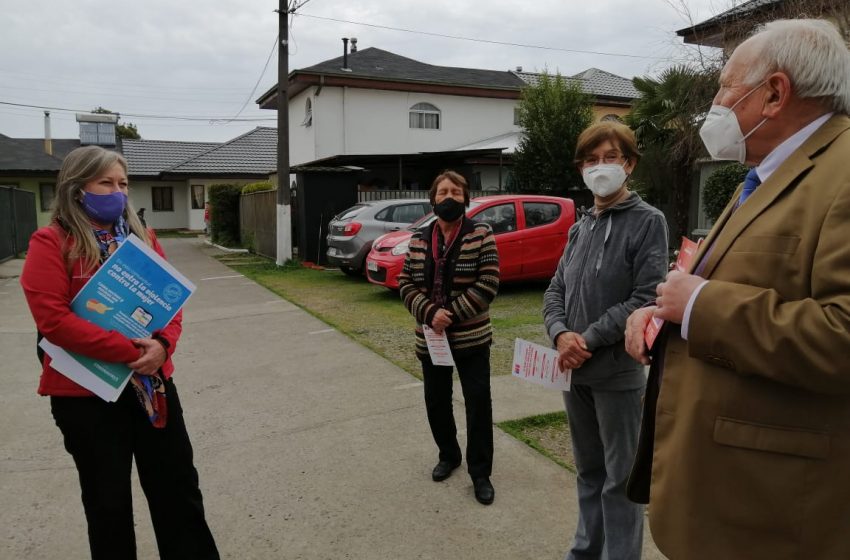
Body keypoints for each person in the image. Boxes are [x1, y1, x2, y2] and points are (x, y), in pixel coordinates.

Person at [624, 19, 850, 559]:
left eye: (726, 86)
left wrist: (700, 303)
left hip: (772, 510)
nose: (717, 103)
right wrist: (661, 315)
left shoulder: (841, 173)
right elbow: (729, 280)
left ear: (774, 92)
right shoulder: (766, 174)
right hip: (721, 489)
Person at [20, 146, 219, 560]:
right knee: (107, 505)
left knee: (178, 492)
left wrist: (163, 346)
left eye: (123, 183)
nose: (118, 192)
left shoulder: (142, 240)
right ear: (77, 188)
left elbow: (171, 303)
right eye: (106, 183)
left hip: (151, 388)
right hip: (85, 398)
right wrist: (130, 350)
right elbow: (53, 320)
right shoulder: (51, 241)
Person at [543, 121, 668, 560]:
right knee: (588, 472)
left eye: (610, 157)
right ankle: (584, 551)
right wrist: (560, 335)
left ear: (629, 164)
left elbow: (645, 295)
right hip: (573, 373)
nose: (600, 167)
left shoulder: (648, 221)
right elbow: (555, 288)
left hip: (616, 375)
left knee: (620, 480)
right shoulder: (581, 225)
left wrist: (588, 340)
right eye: (591, 160)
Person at [398, 170, 500, 505]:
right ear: (433, 199)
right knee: (437, 401)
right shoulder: (418, 239)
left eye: (456, 191)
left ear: (466, 198)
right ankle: (449, 454)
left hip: (471, 337)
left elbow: (488, 283)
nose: (449, 197)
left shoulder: (481, 234)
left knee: (478, 403)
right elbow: (405, 282)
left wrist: (450, 314)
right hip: (431, 338)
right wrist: (430, 313)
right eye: (442, 191)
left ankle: (480, 472)